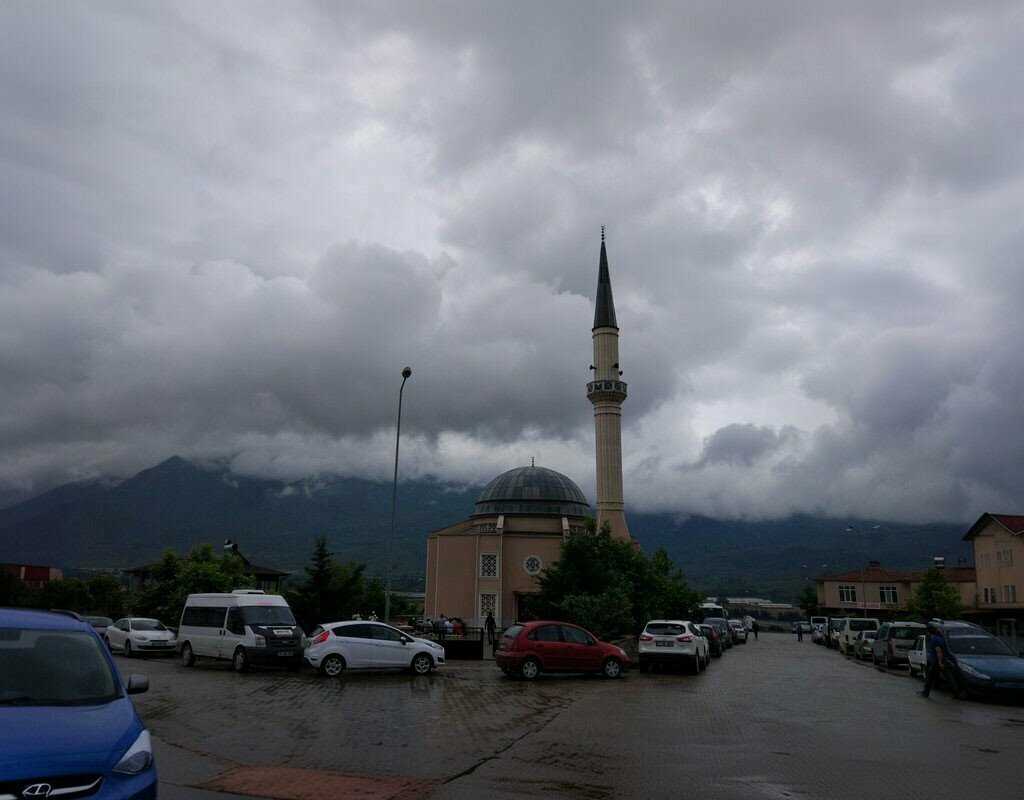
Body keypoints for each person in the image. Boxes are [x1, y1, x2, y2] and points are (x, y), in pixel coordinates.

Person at [918, 624, 956, 698]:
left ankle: (925, 693)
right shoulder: (939, 639)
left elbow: (938, 652)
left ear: (928, 632)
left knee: (929, 677)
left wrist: (939, 662)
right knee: (949, 677)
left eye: (927, 631)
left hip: (937, 662)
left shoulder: (935, 640)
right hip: (942, 660)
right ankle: (957, 693)